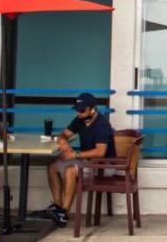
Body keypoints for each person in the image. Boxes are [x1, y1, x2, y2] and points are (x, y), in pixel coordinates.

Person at [45, 92, 115, 227]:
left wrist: (74, 155)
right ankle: (57, 207)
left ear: (92, 109)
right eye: (77, 110)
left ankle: (64, 213)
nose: (78, 113)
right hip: (86, 161)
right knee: (53, 167)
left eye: (82, 110)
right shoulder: (80, 120)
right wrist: (64, 141)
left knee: (71, 171)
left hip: (103, 166)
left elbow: (100, 152)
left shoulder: (102, 124)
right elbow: (64, 134)